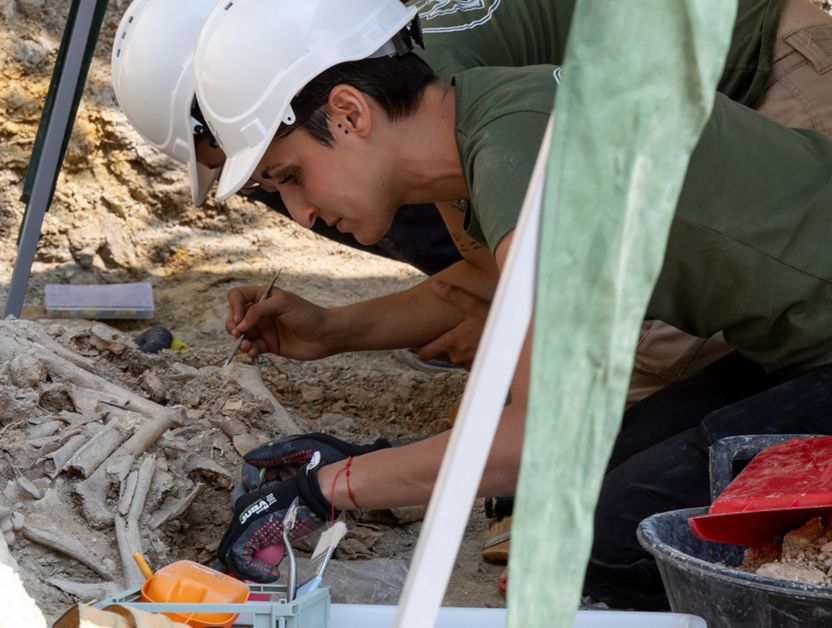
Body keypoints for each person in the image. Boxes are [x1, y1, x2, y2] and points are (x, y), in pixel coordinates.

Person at [192, 0, 832, 609]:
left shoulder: (518, 158)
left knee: (617, 542)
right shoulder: (492, 123)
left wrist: (327, 490)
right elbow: (493, 286)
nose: (301, 215)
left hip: (814, 351)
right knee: (596, 489)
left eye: (289, 175)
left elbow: (539, 436)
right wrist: (334, 334)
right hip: (794, 347)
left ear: (350, 114)